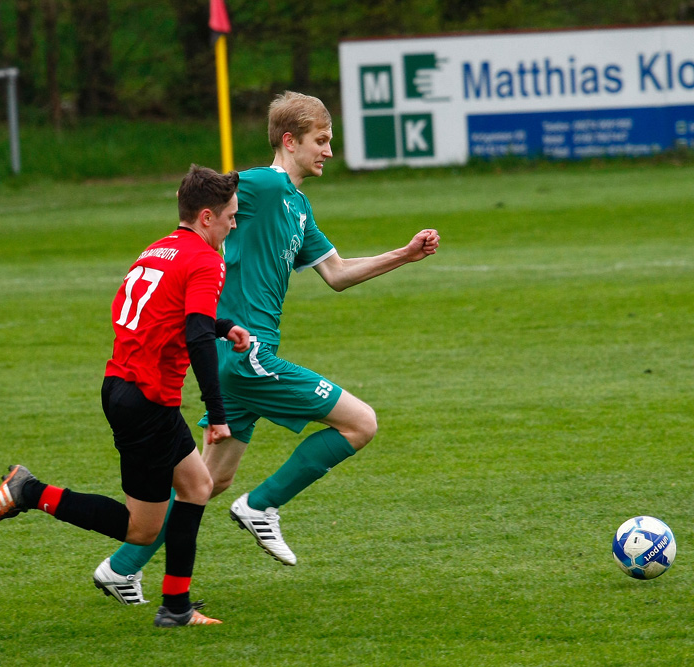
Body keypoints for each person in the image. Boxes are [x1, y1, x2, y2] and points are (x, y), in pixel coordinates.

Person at [94, 91, 439, 603]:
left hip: (237, 363)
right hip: (247, 354)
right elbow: (197, 200)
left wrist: (404, 255)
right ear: (289, 140)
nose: (327, 151)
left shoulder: (298, 206)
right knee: (360, 422)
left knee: (205, 485)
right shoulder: (260, 185)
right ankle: (264, 506)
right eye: (320, 141)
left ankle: (121, 569)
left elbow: (337, 275)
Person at [0, 165, 250, 628]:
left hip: (123, 387)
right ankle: (30, 491)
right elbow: (197, 338)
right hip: (147, 399)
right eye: (230, 216)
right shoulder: (206, 259)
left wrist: (223, 326)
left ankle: (176, 607)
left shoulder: (158, 249)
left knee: (198, 486)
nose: (234, 224)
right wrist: (217, 412)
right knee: (140, 527)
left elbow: (169, 316)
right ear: (207, 217)